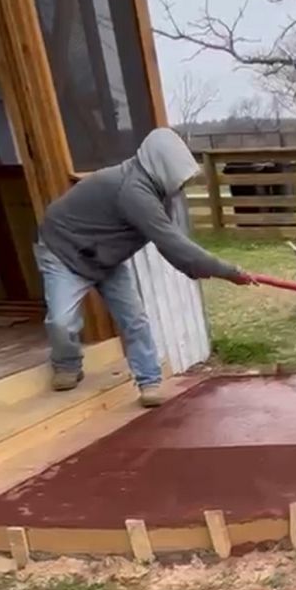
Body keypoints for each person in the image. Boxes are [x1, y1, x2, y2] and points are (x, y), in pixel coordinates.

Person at [36, 128, 255, 408]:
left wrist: (203, 269)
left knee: (134, 318)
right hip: (63, 249)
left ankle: (149, 381)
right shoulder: (134, 191)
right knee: (61, 321)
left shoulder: (159, 193)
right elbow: (174, 243)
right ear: (162, 165)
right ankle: (67, 363)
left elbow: (172, 245)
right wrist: (229, 271)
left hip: (106, 257)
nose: (181, 185)